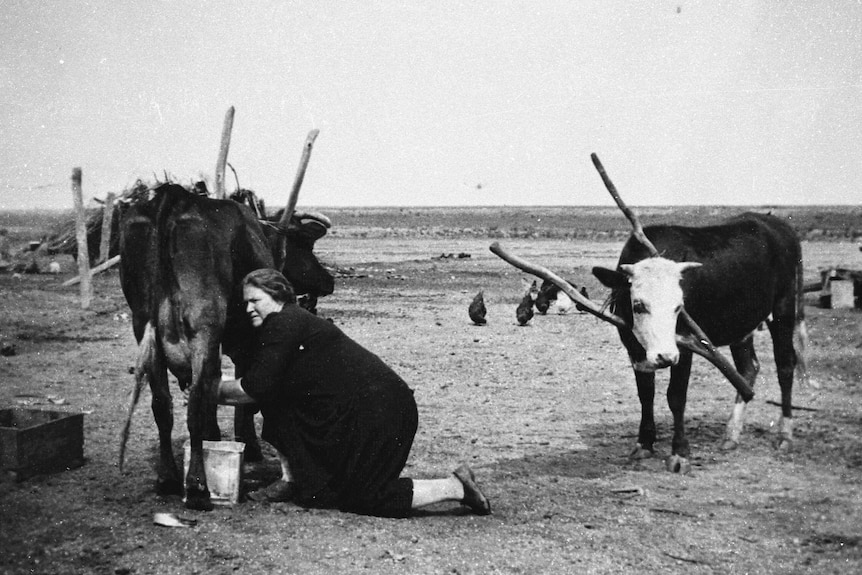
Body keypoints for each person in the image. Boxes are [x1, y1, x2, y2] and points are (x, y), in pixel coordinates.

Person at [218, 268, 491, 518]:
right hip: (364, 410)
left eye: (255, 300)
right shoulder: (291, 321)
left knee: (366, 498)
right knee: (321, 491)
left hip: (380, 414)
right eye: (246, 302)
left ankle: (455, 487)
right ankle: (292, 480)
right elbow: (264, 385)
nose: (249, 308)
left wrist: (209, 390)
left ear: (277, 295)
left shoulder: (283, 322)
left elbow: (252, 389)